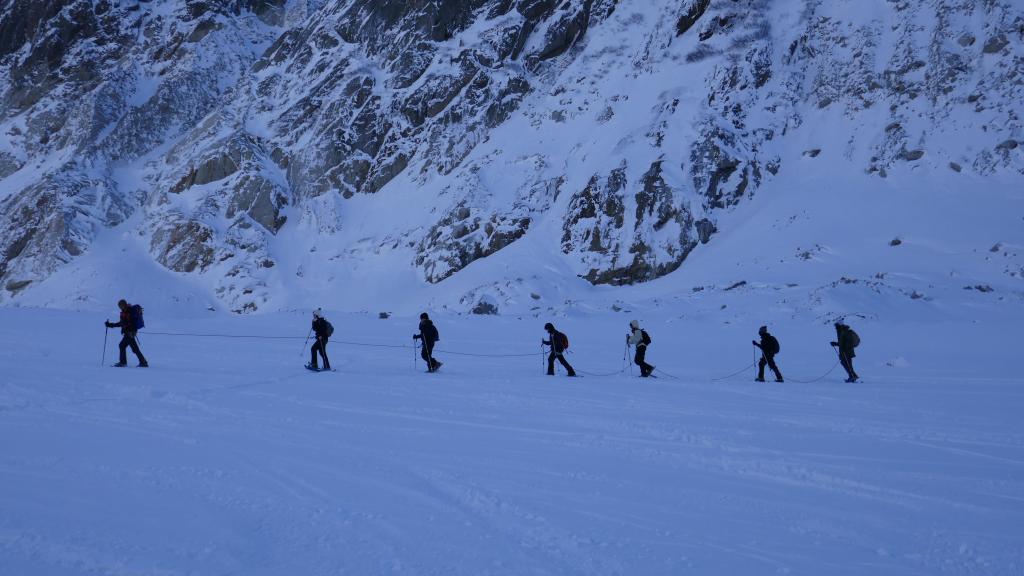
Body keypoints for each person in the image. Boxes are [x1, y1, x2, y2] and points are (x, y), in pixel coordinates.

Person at [105, 299, 148, 367]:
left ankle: (123, 362)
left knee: (122, 345)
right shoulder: (125, 312)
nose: (120, 307)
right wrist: (110, 325)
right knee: (134, 348)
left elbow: (126, 323)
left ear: (123, 305)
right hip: (130, 333)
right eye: (119, 306)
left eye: (120, 306)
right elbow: (122, 323)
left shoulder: (129, 312)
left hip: (130, 333)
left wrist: (111, 325)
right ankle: (143, 362)